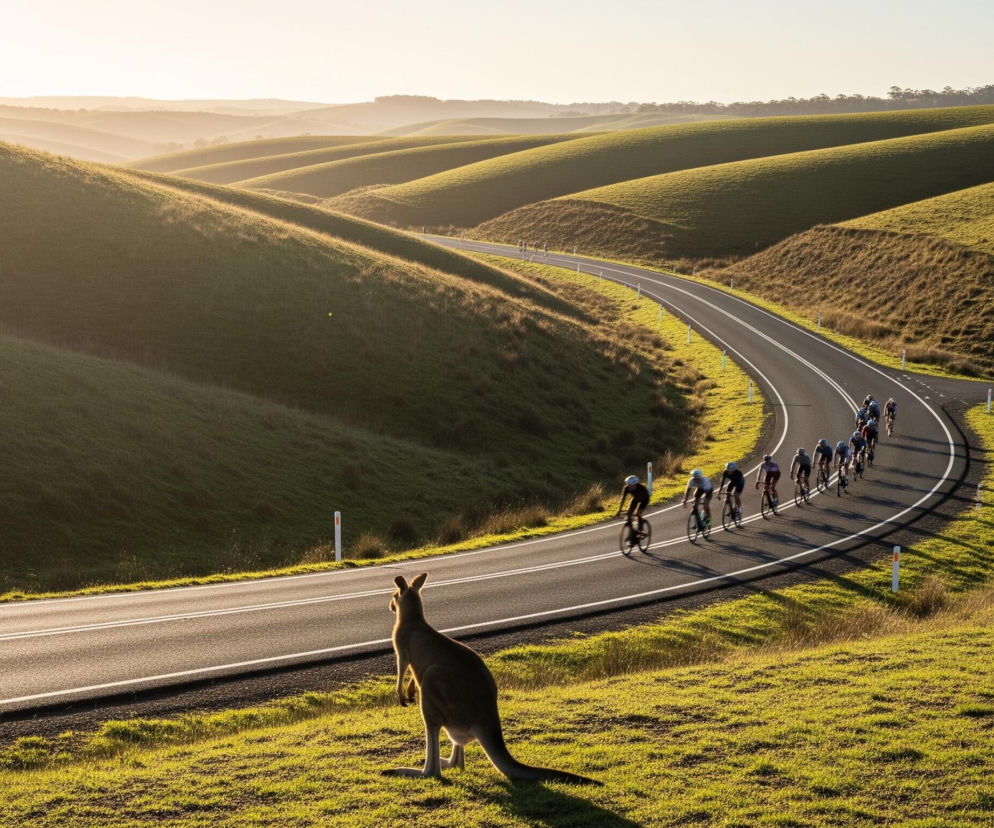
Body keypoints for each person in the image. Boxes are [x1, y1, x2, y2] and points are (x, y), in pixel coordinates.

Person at [617, 474, 650, 539]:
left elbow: (638, 501)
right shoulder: (626, 488)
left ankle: (640, 531)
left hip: (644, 499)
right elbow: (623, 499)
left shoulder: (641, 488)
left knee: (637, 514)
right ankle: (632, 532)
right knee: (629, 516)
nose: (629, 487)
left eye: (631, 485)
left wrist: (631, 512)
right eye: (628, 484)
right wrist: (619, 509)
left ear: (636, 484)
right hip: (635, 498)